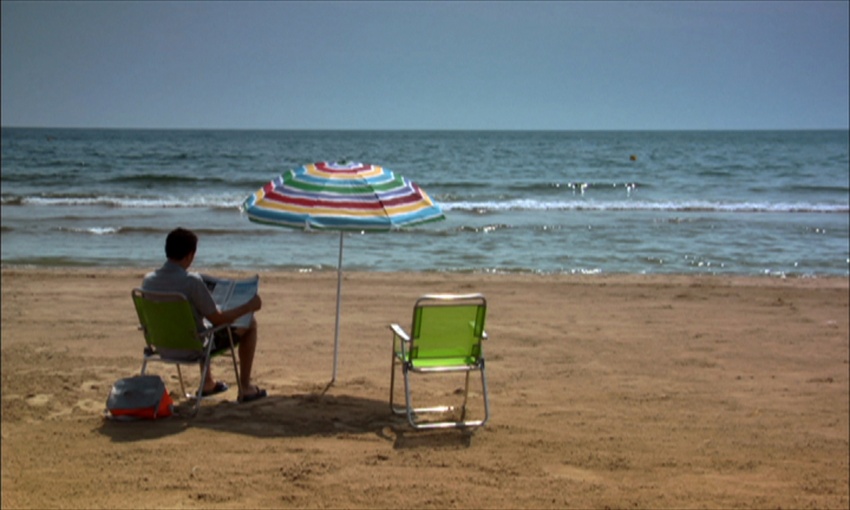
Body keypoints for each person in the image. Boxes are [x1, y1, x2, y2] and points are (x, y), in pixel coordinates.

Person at [142, 227, 267, 402]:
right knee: (250, 323)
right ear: (190, 255)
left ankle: (208, 383)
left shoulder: (148, 280)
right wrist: (248, 306)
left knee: (198, 322)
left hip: (162, 346)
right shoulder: (191, 282)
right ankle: (245, 387)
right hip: (191, 348)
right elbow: (218, 319)